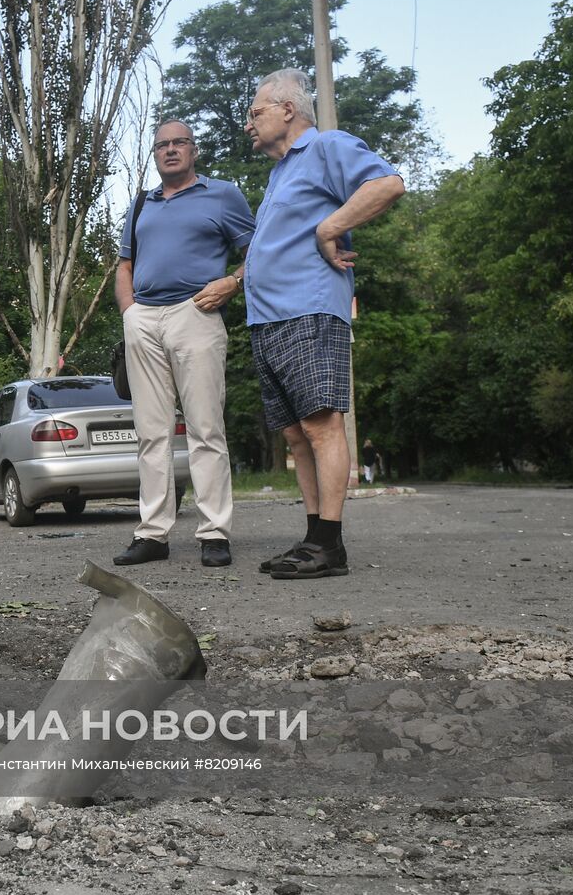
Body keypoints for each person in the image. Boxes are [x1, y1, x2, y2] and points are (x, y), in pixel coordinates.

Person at [243, 69, 405, 579]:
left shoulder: (327, 147)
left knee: (321, 425)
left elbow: (388, 183)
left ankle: (330, 546)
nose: (248, 123)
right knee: (295, 435)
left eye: (256, 112)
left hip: (308, 309)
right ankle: (313, 538)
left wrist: (332, 225)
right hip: (268, 319)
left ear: (288, 110)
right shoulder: (277, 174)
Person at [113, 120, 255, 570]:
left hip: (196, 313)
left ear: (194, 150)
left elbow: (260, 250)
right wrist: (129, 313)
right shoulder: (141, 204)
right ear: (154, 154)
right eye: (162, 145)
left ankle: (214, 532)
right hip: (145, 319)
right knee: (151, 432)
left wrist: (232, 283)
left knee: (205, 428)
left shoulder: (222, 195)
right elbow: (124, 266)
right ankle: (152, 533)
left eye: (179, 143)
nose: (171, 150)